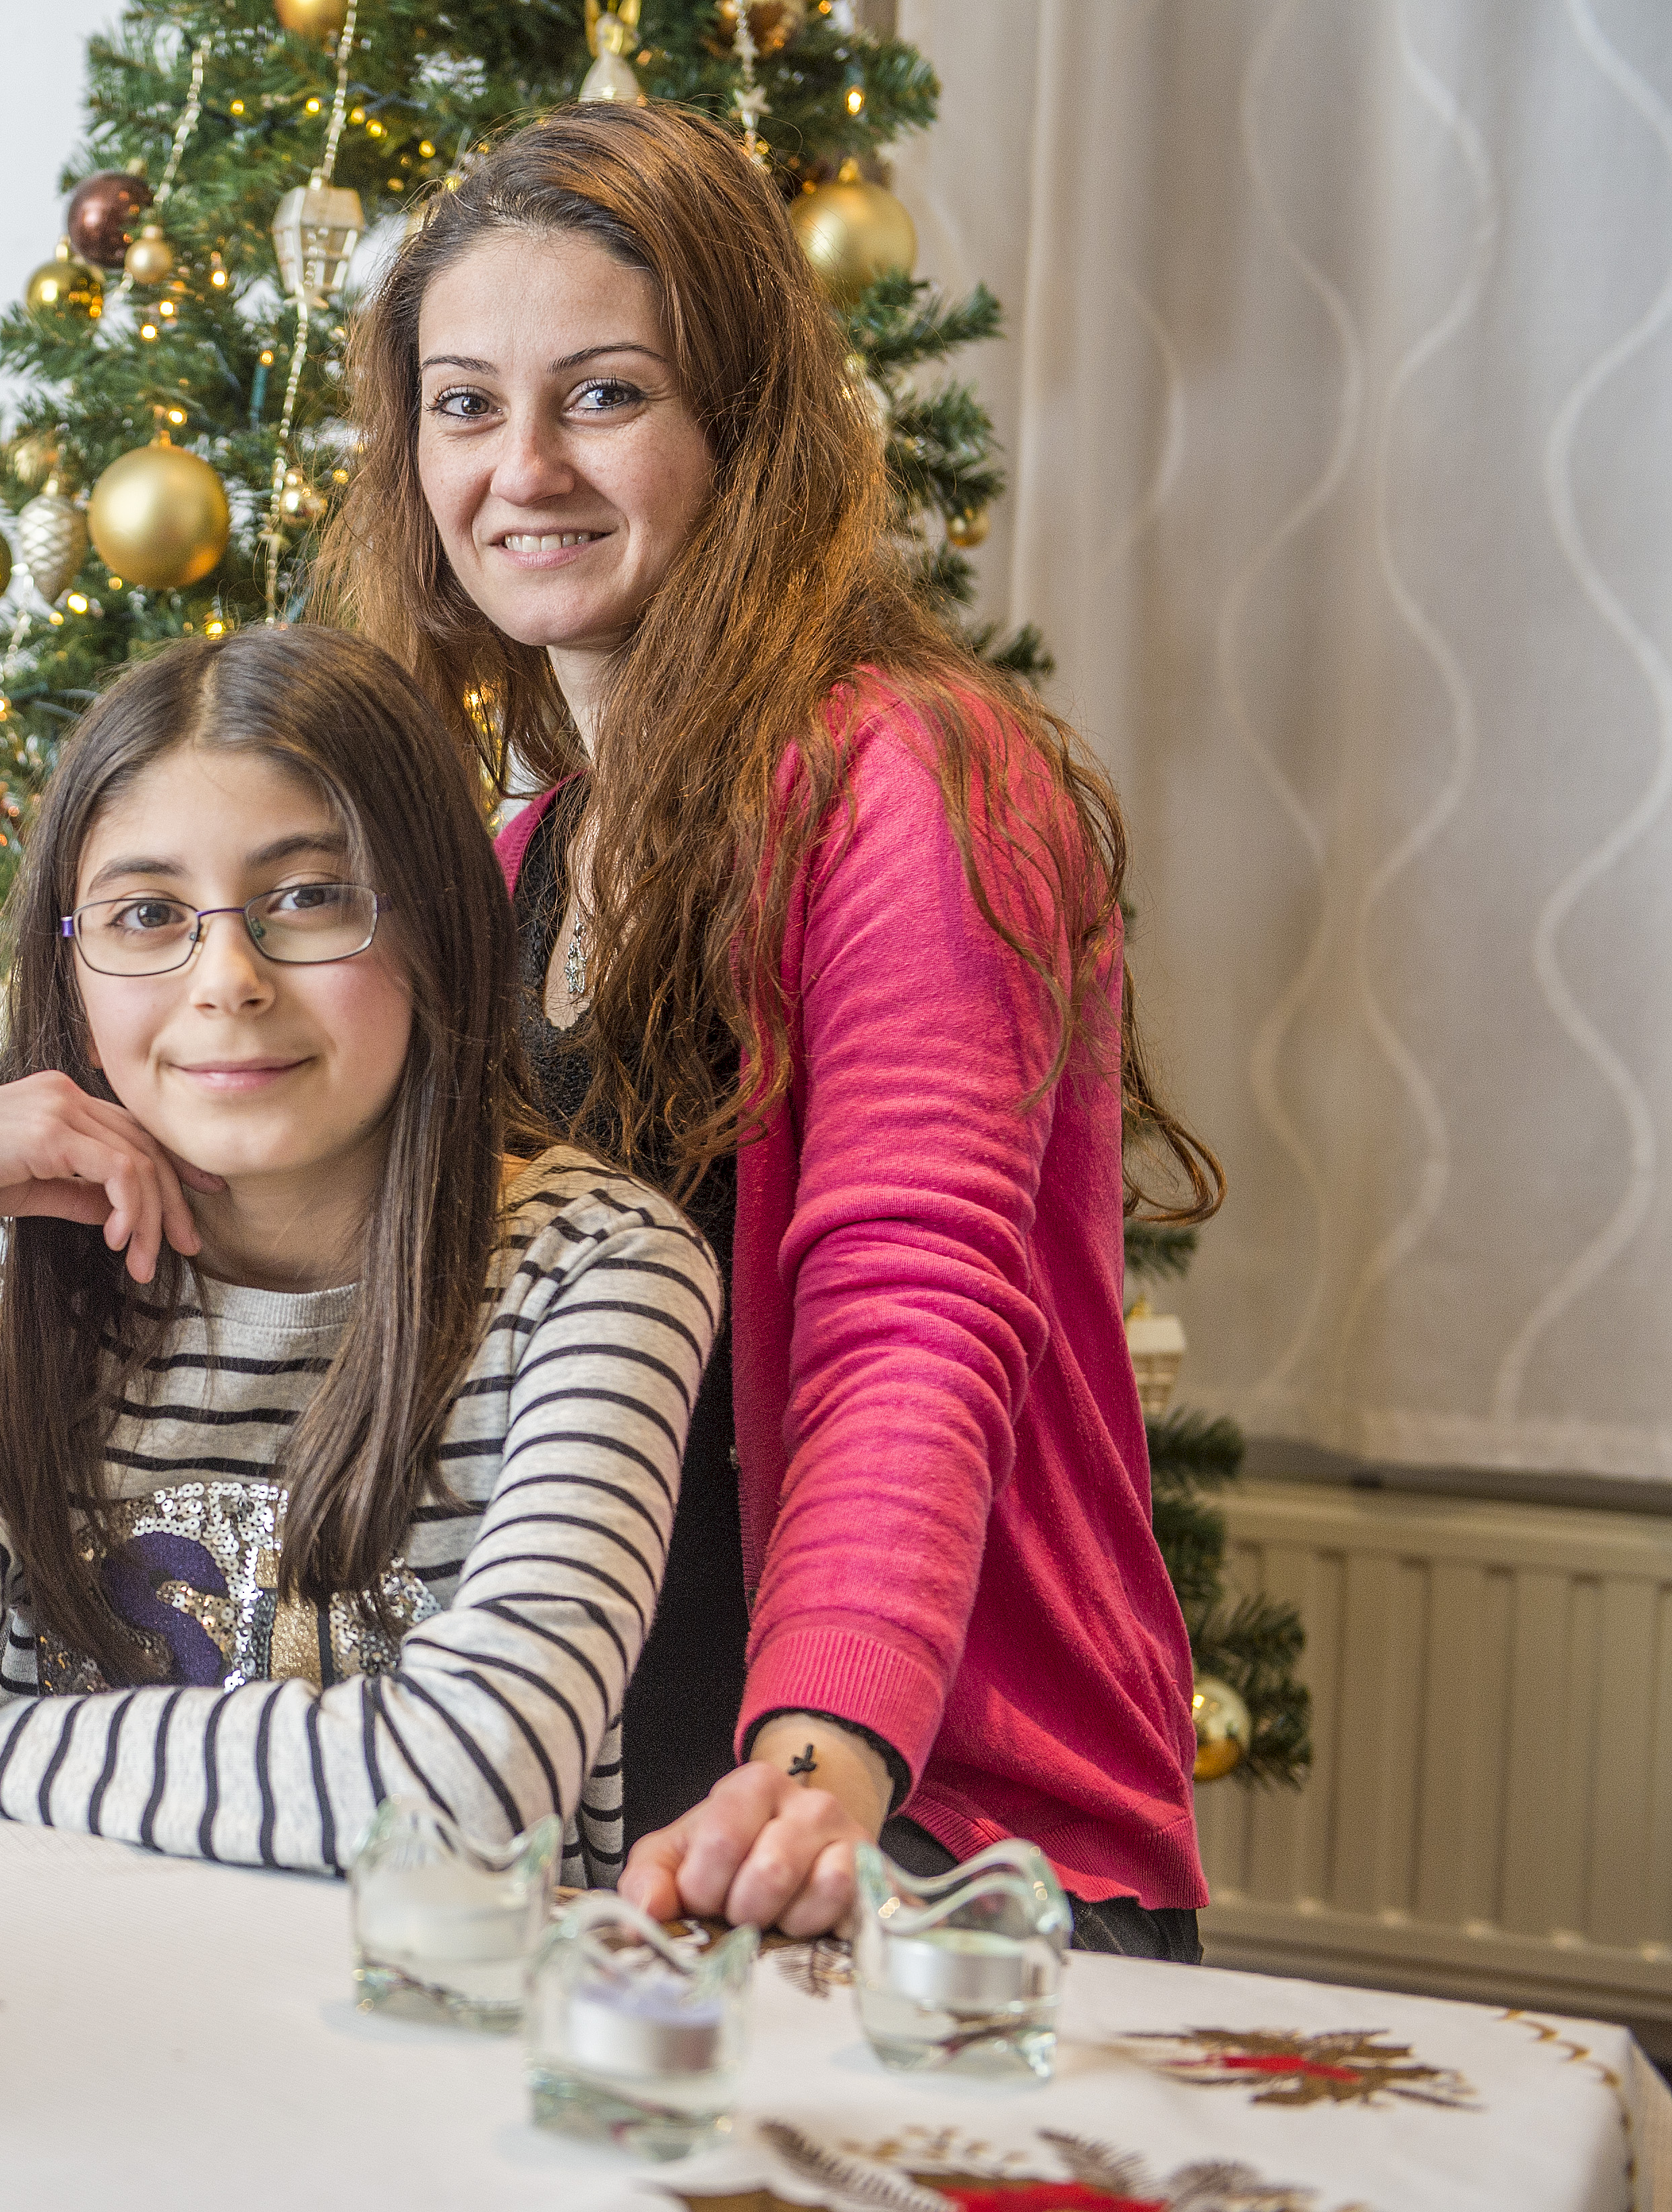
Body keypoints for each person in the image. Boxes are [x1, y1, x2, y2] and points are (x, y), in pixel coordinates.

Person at [314, 103, 1222, 1953]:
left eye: (607, 395)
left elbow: (912, 1306)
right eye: (466, 405)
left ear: (741, 418)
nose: (525, 468)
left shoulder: (911, 777)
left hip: (923, 1836)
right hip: (609, 1834)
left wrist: (814, 1784)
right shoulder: (507, 864)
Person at [0, 625, 716, 1876]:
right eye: (146, 914)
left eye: (307, 897)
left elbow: (470, 1789)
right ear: (71, 960)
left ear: (437, 926)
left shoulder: (601, 1270)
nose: (227, 979)